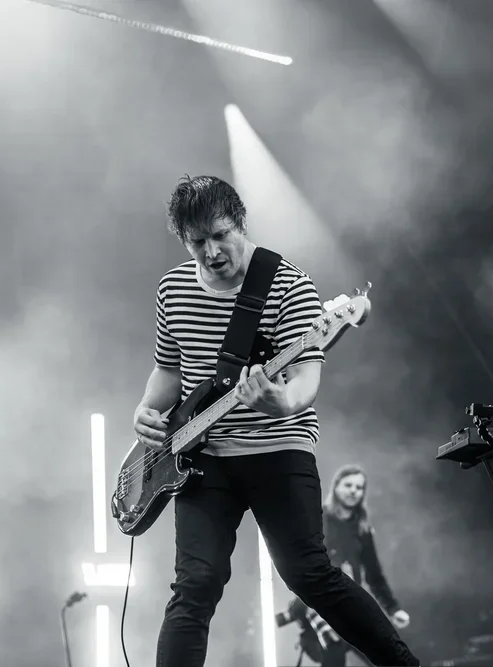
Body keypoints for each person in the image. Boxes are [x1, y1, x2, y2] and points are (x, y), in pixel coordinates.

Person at [133, 175, 420, 667]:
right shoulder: (173, 289)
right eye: (197, 242)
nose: (212, 252)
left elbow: (307, 375)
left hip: (278, 447)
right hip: (200, 458)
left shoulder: (288, 284)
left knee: (309, 575)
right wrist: (146, 410)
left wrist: (283, 403)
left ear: (240, 223)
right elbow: (168, 369)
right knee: (194, 585)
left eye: (221, 235)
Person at [286, 464, 411, 667]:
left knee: (385, 651)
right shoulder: (318, 519)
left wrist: (393, 608)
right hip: (321, 601)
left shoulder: (362, 529)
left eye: (359, 487)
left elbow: (374, 574)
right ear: (336, 487)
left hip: (351, 600)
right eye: (348, 485)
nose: (354, 491)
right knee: (334, 650)